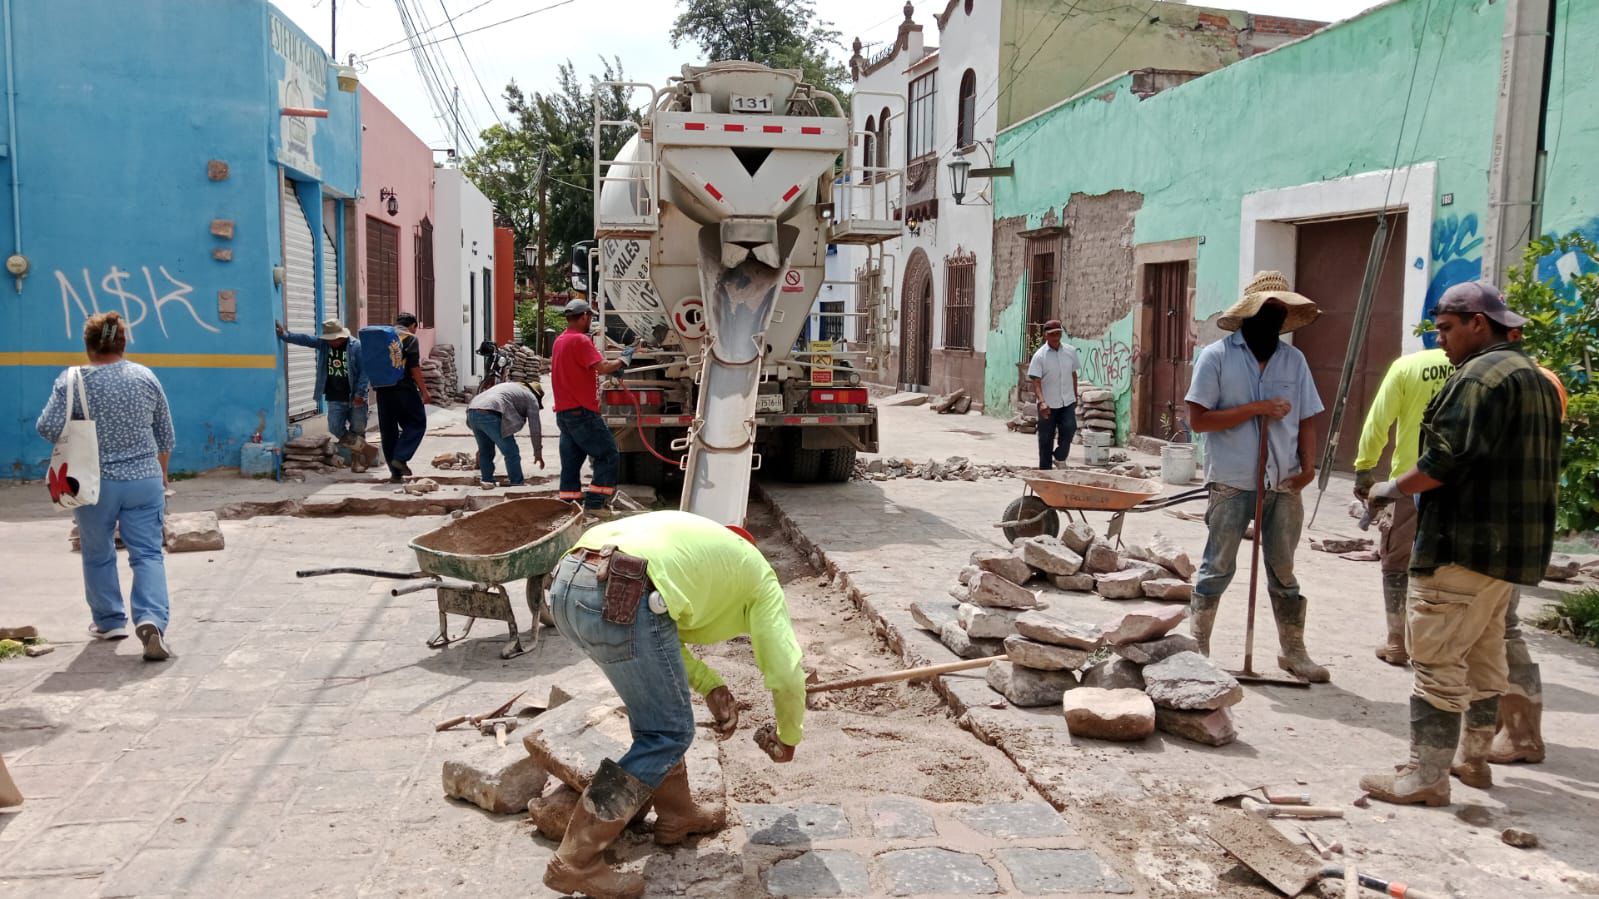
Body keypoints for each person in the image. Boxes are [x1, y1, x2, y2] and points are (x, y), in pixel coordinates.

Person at [1358, 281, 1561, 806]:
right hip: (1508, 552)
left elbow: (1445, 459)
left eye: (1447, 329)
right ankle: (1473, 760)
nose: (1441, 340)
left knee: (1436, 659)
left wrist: (1391, 487)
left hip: (1462, 545)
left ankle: (1426, 775)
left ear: (1478, 322)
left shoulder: (1478, 376)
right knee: (1484, 655)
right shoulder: (1532, 376)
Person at [543, 511, 804, 899]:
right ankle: (575, 861)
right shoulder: (760, 577)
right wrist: (788, 736)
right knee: (668, 732)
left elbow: (660, 640)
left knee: (654, 711)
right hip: (622, 589)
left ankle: (677, 813)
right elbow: (786, 673)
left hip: (569, 582)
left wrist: (708, 684)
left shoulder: (696, 549)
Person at [1184, 271, 1328, 682]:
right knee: (1218, 565)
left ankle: (1294, 651)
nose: (1276, 321)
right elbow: (1199, 420)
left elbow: (1307, 418)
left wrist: (1309, 467)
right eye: (1269, 312)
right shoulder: (1216, 357)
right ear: (1249, 315)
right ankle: (1198, 646)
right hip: (1231, 480)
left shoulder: (1293, 360)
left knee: (1283, 570)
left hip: (1283, 482)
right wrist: (1256, 408)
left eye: (1281, 314)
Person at [36, 311, 176, 661]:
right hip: (144, 480)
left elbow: (47, 427)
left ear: (88, 346)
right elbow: (165, 435)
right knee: (147, 555)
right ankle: (151, 620)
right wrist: (162, 475)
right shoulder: (145, 377)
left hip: (93, 484)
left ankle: (110, 621)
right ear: (123, 343)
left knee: (98, 555)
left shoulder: (71, 381)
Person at [1353, 346, 1452, 666]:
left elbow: (1378, 419)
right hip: (1462, 487)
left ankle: (1397, 640)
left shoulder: (1408, 366)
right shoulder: (1477, 369)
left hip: (1410, 482)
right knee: (1451, 566)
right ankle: (1441, 646)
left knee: (1396, 562)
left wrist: (1365, 468)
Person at [552, 299, 631, 512]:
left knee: (571, 462)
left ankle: (569, 504)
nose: (591, 321)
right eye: (590, 317)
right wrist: (624, 360)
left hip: (565, 413)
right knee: (607, 454)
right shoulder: (580, 341)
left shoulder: (560, 340)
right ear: (584, 316)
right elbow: (603, 367)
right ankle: (596, 503)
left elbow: (582, 368)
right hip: (582, 413)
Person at [275, 317, 375, 471]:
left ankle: (357, 463)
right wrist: (286, 335)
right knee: (335, 428)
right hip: (334, 396)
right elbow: (306, 339)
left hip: (355, 396)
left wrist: (360, 394)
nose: (331, 343)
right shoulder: (324, 344)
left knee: (358, 429)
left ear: (342, 336)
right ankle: (367, 450)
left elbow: (365, 372)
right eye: (329, 339)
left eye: (334, 339)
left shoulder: (356, 346)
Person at [374, 312, 430, 482]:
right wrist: (424, 391)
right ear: (413, 326)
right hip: (403, 388)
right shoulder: (410, 338)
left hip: (382, 390)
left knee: (388, 430)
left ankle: (395, 474)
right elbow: (414, 368)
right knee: (417, 422)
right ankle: (400, 457)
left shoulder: (382, 336)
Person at [465, 380, 546, 488]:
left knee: (486, 451)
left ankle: (487, 481)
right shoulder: (531, 398)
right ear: (537, 395)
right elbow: (535, 428)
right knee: (511, 452)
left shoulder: (508, 387)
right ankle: (517, 483)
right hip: (491, 412)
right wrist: (538, 453)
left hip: (472, 411)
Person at [1027, 319, 1080, 470]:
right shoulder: (1040, 356)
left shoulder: (1070, 352)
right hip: (1048, 404)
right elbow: (1036, 382)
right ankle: (1045, 472)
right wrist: (1042, 402)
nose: (1056, 337)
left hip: (1067, 401)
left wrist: (1075, 395)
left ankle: (1060, 456)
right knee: (1046, 439)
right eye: (1052, 334)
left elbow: (1073, 374)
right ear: (1046, 336)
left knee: (1070, 428)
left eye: (1058, 334)